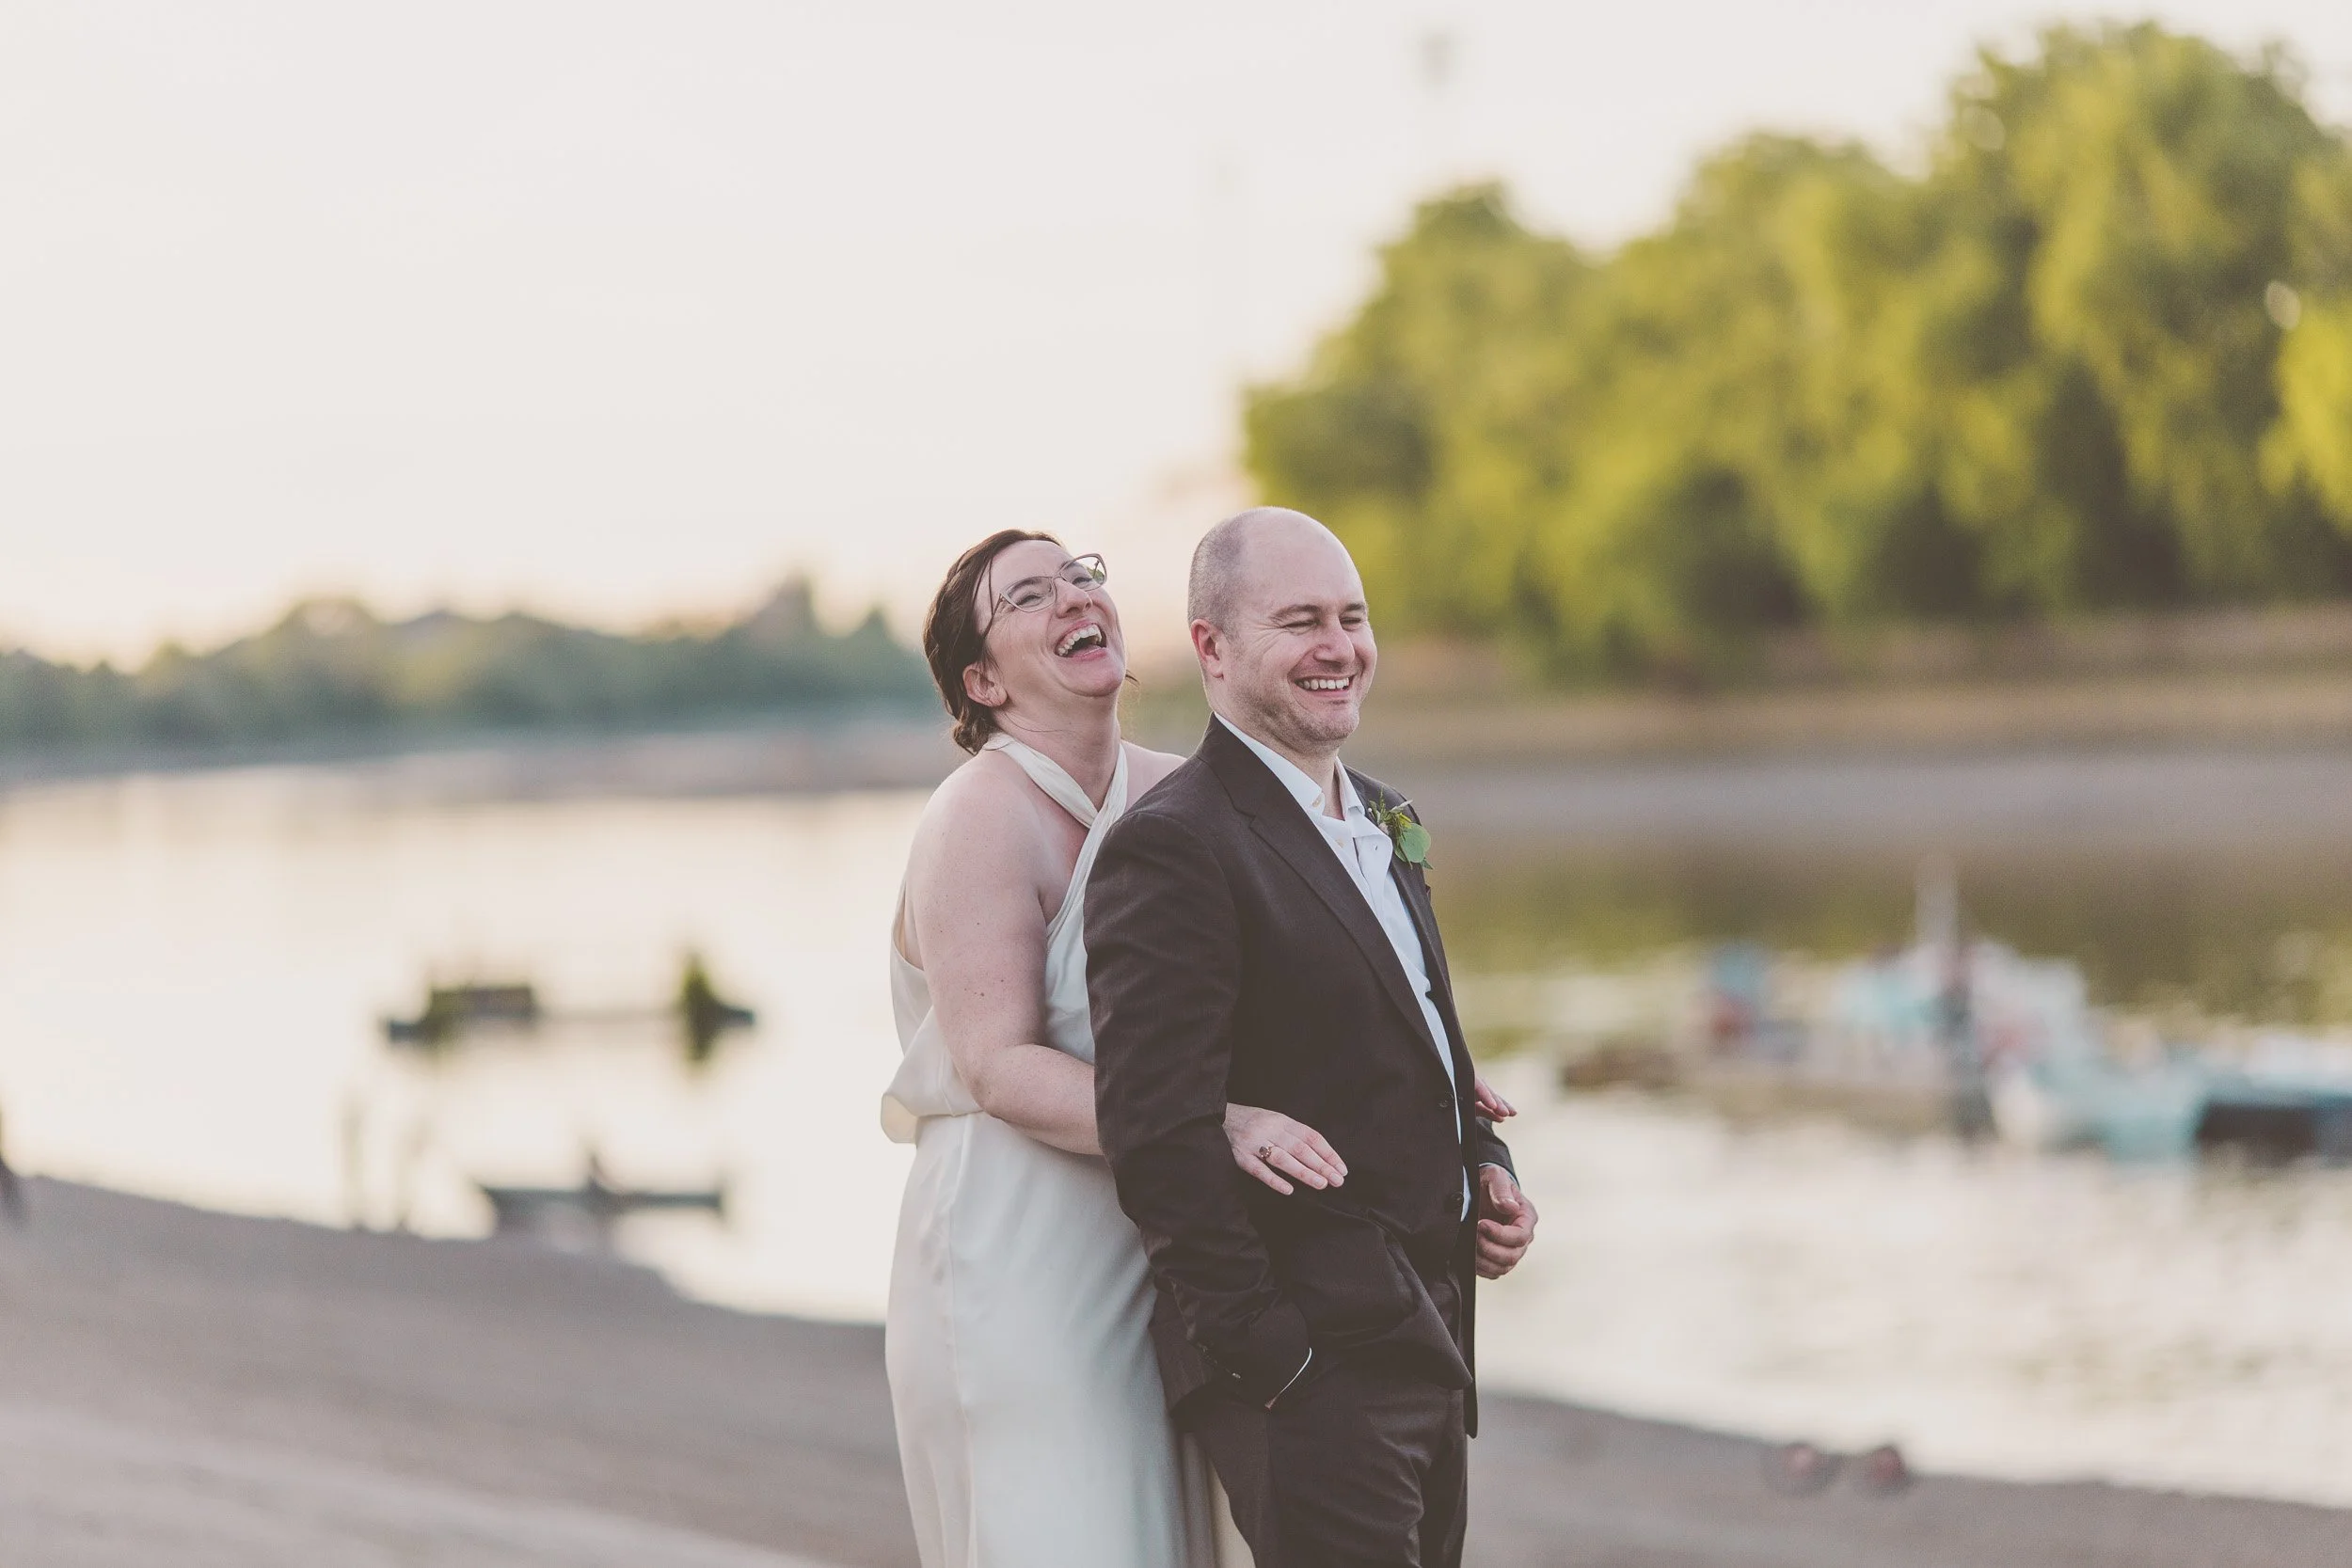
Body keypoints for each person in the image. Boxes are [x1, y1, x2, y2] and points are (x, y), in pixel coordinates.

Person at [882, 531, 1351, 1568]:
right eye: (1030, 596)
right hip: (1018, 1247)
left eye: (1081, 576)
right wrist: (1211, 1122)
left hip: (1169, 1241)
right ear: (982, 678)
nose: (1072, 598)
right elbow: (997, 1065)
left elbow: (1295, 991)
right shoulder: (977, 815)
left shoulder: (1183, 789)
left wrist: (1433, 1078)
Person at [1088, 508, 1538, 1568]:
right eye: (1299, 621)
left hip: (1428, 1329)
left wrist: (1489, 1170)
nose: (1338, 646)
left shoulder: (1384, 815)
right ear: (1212, 646)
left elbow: (1428, 1045)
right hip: (1310, 1362)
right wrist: (1267, 1354)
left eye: (1352, 616)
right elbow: (1154, 1129)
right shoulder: (1173, 846)